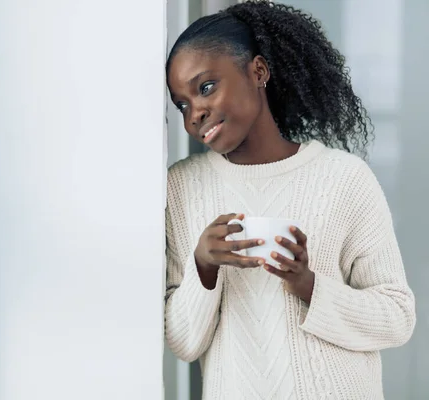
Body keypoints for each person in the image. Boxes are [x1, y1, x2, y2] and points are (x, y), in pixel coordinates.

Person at [164, 1, 416, 399]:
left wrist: (308, 285)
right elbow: (183, 344)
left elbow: (398, 318)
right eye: (182, 104)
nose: (194, 113)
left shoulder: (344, 178)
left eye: (206, 87)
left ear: (258, 71)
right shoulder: (181, 188)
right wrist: (203, 267)